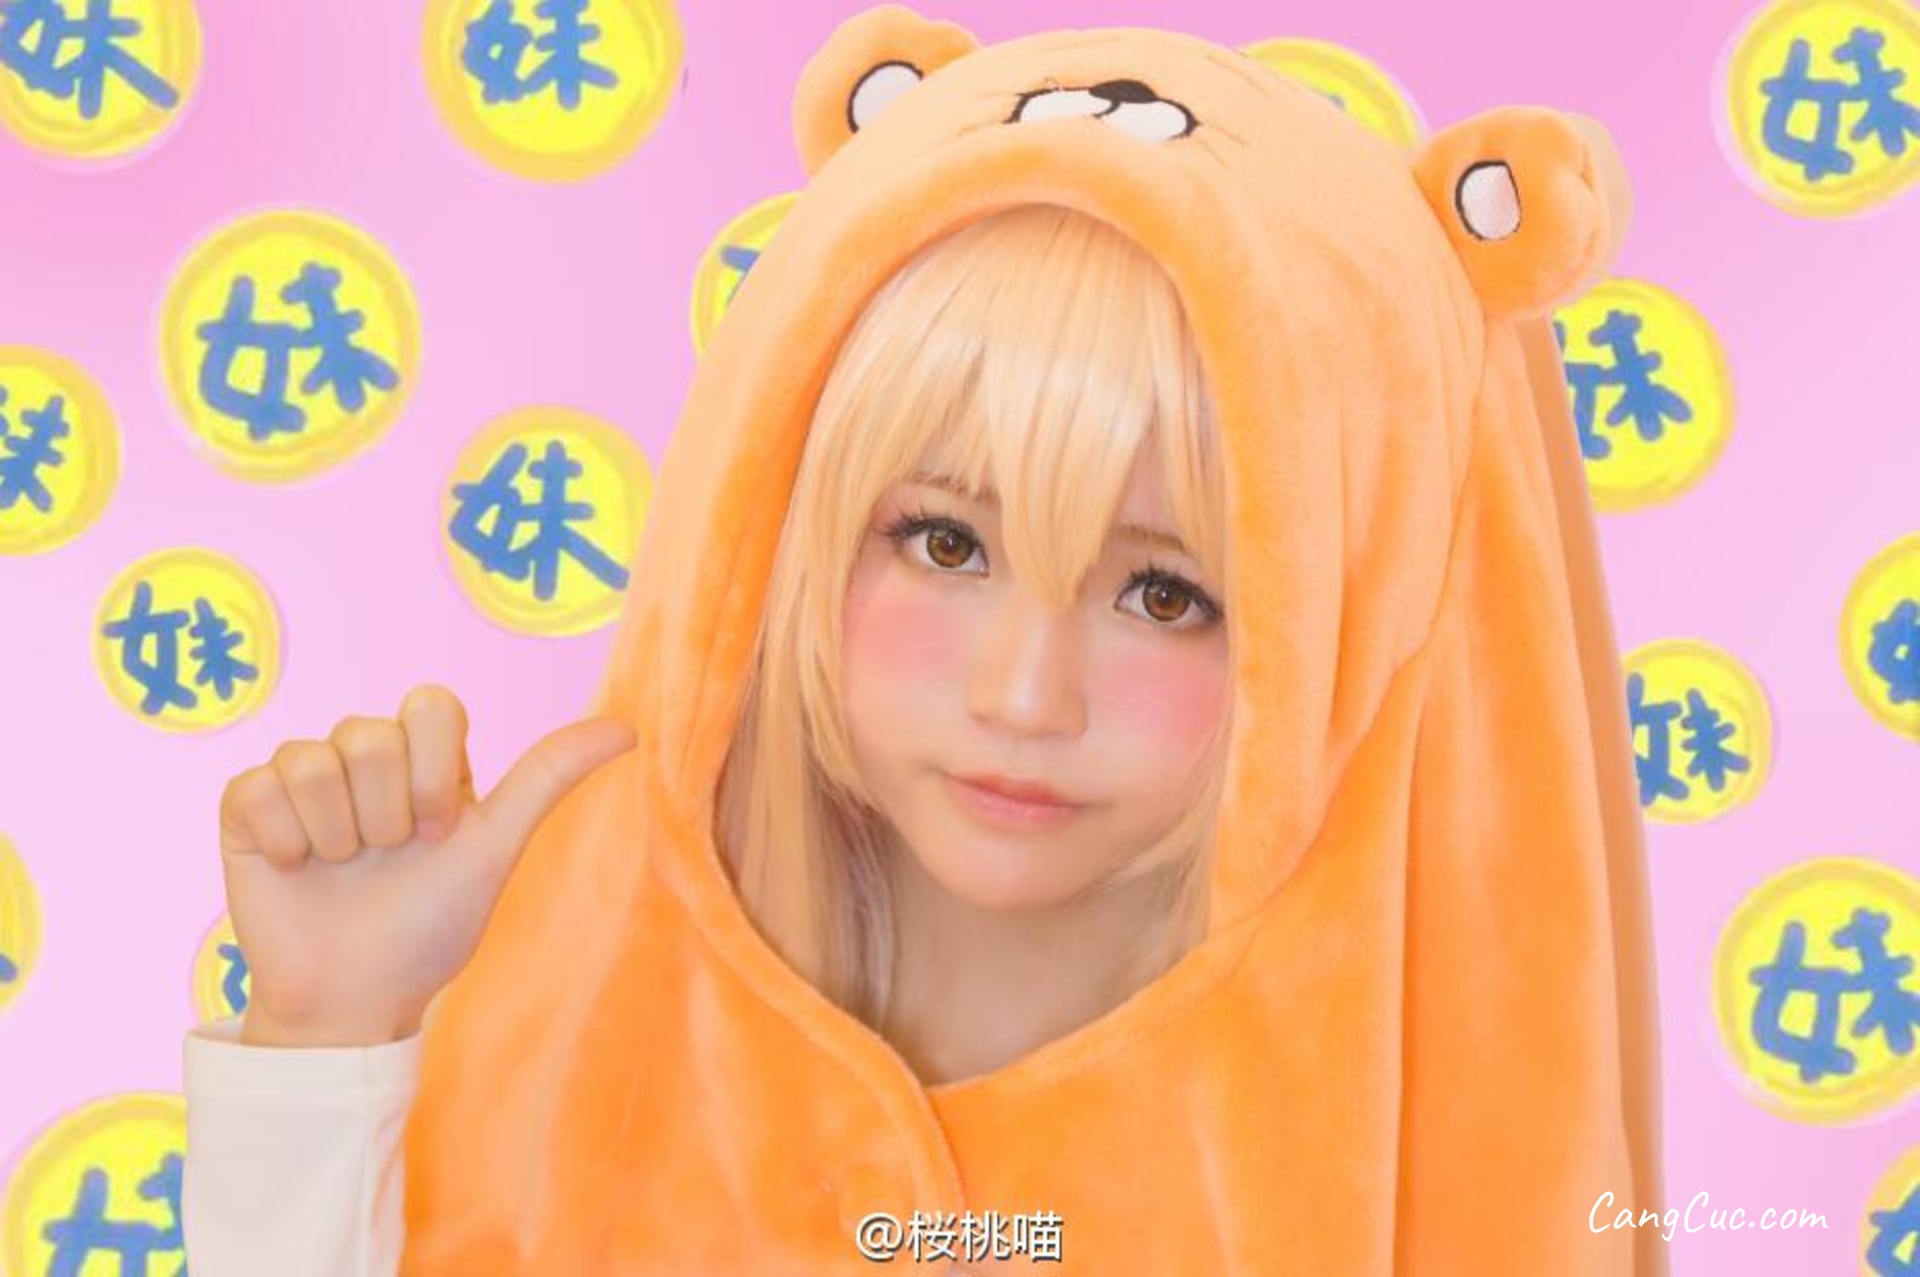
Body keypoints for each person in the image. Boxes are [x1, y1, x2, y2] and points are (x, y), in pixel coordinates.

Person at [182, 7, 1668, 1274]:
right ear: (781, 519)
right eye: (947, 543)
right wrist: (330, 1036)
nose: (1024, 695)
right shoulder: (566, 1030)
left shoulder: (1379, 1166)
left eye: (1167, 595)